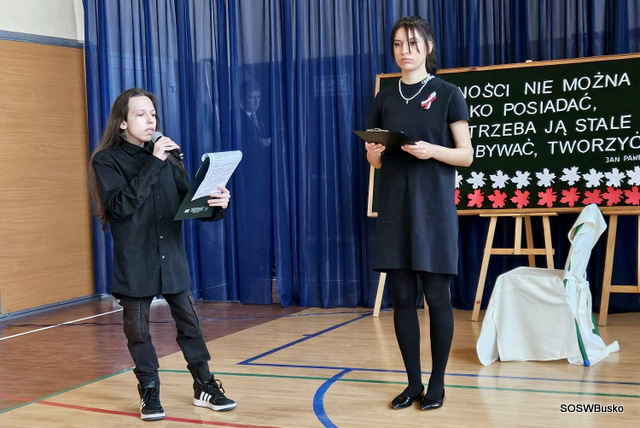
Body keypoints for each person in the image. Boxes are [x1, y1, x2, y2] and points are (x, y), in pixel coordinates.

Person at [89, 88, 236, 421]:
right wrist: (155, 162)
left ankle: (204, 385)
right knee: (138, 332)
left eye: (153, 113)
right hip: (135, 260)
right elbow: (120, 206)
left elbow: (189, 202)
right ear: (122, 122)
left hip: (171, 256)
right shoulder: (106, 160)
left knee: (191, 324)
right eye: (140, 114)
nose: (150, 120)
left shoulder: (169, 156)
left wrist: (217, 204)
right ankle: (149, 390)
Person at [365, 16, 473, 411]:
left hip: (433, 210)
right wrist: (373, 153)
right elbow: (375, 161)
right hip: (395, 208)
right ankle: (412, 382)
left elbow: (466, 155)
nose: (404, 51)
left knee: (437, 297)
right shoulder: (384, 98)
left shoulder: (448, 93)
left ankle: (438, 384)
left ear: (428, 47)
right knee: (403, 297)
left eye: (412, 43)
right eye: (397, 44)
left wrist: (432, 151)